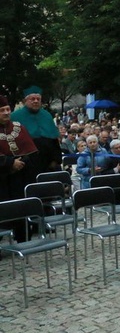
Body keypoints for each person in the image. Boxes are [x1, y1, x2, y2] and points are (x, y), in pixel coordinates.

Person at [0, 94, 39, 242]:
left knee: (20, 208)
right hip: (1, 180)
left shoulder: (19, 127)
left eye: (7, 109)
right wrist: (10, 163)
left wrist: (20, 162)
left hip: (19, 178)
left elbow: (30, 150)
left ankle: (23, 240)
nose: (6, 112)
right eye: (2, 110)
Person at [11, 86, 62, 175]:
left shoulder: (46, 115)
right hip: (25, 164)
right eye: (32, 99)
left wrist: (55, 160)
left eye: (38, 99)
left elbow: (54, 140)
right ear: (25, 101)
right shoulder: (15, 116)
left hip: (47, 164)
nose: (36, 101)